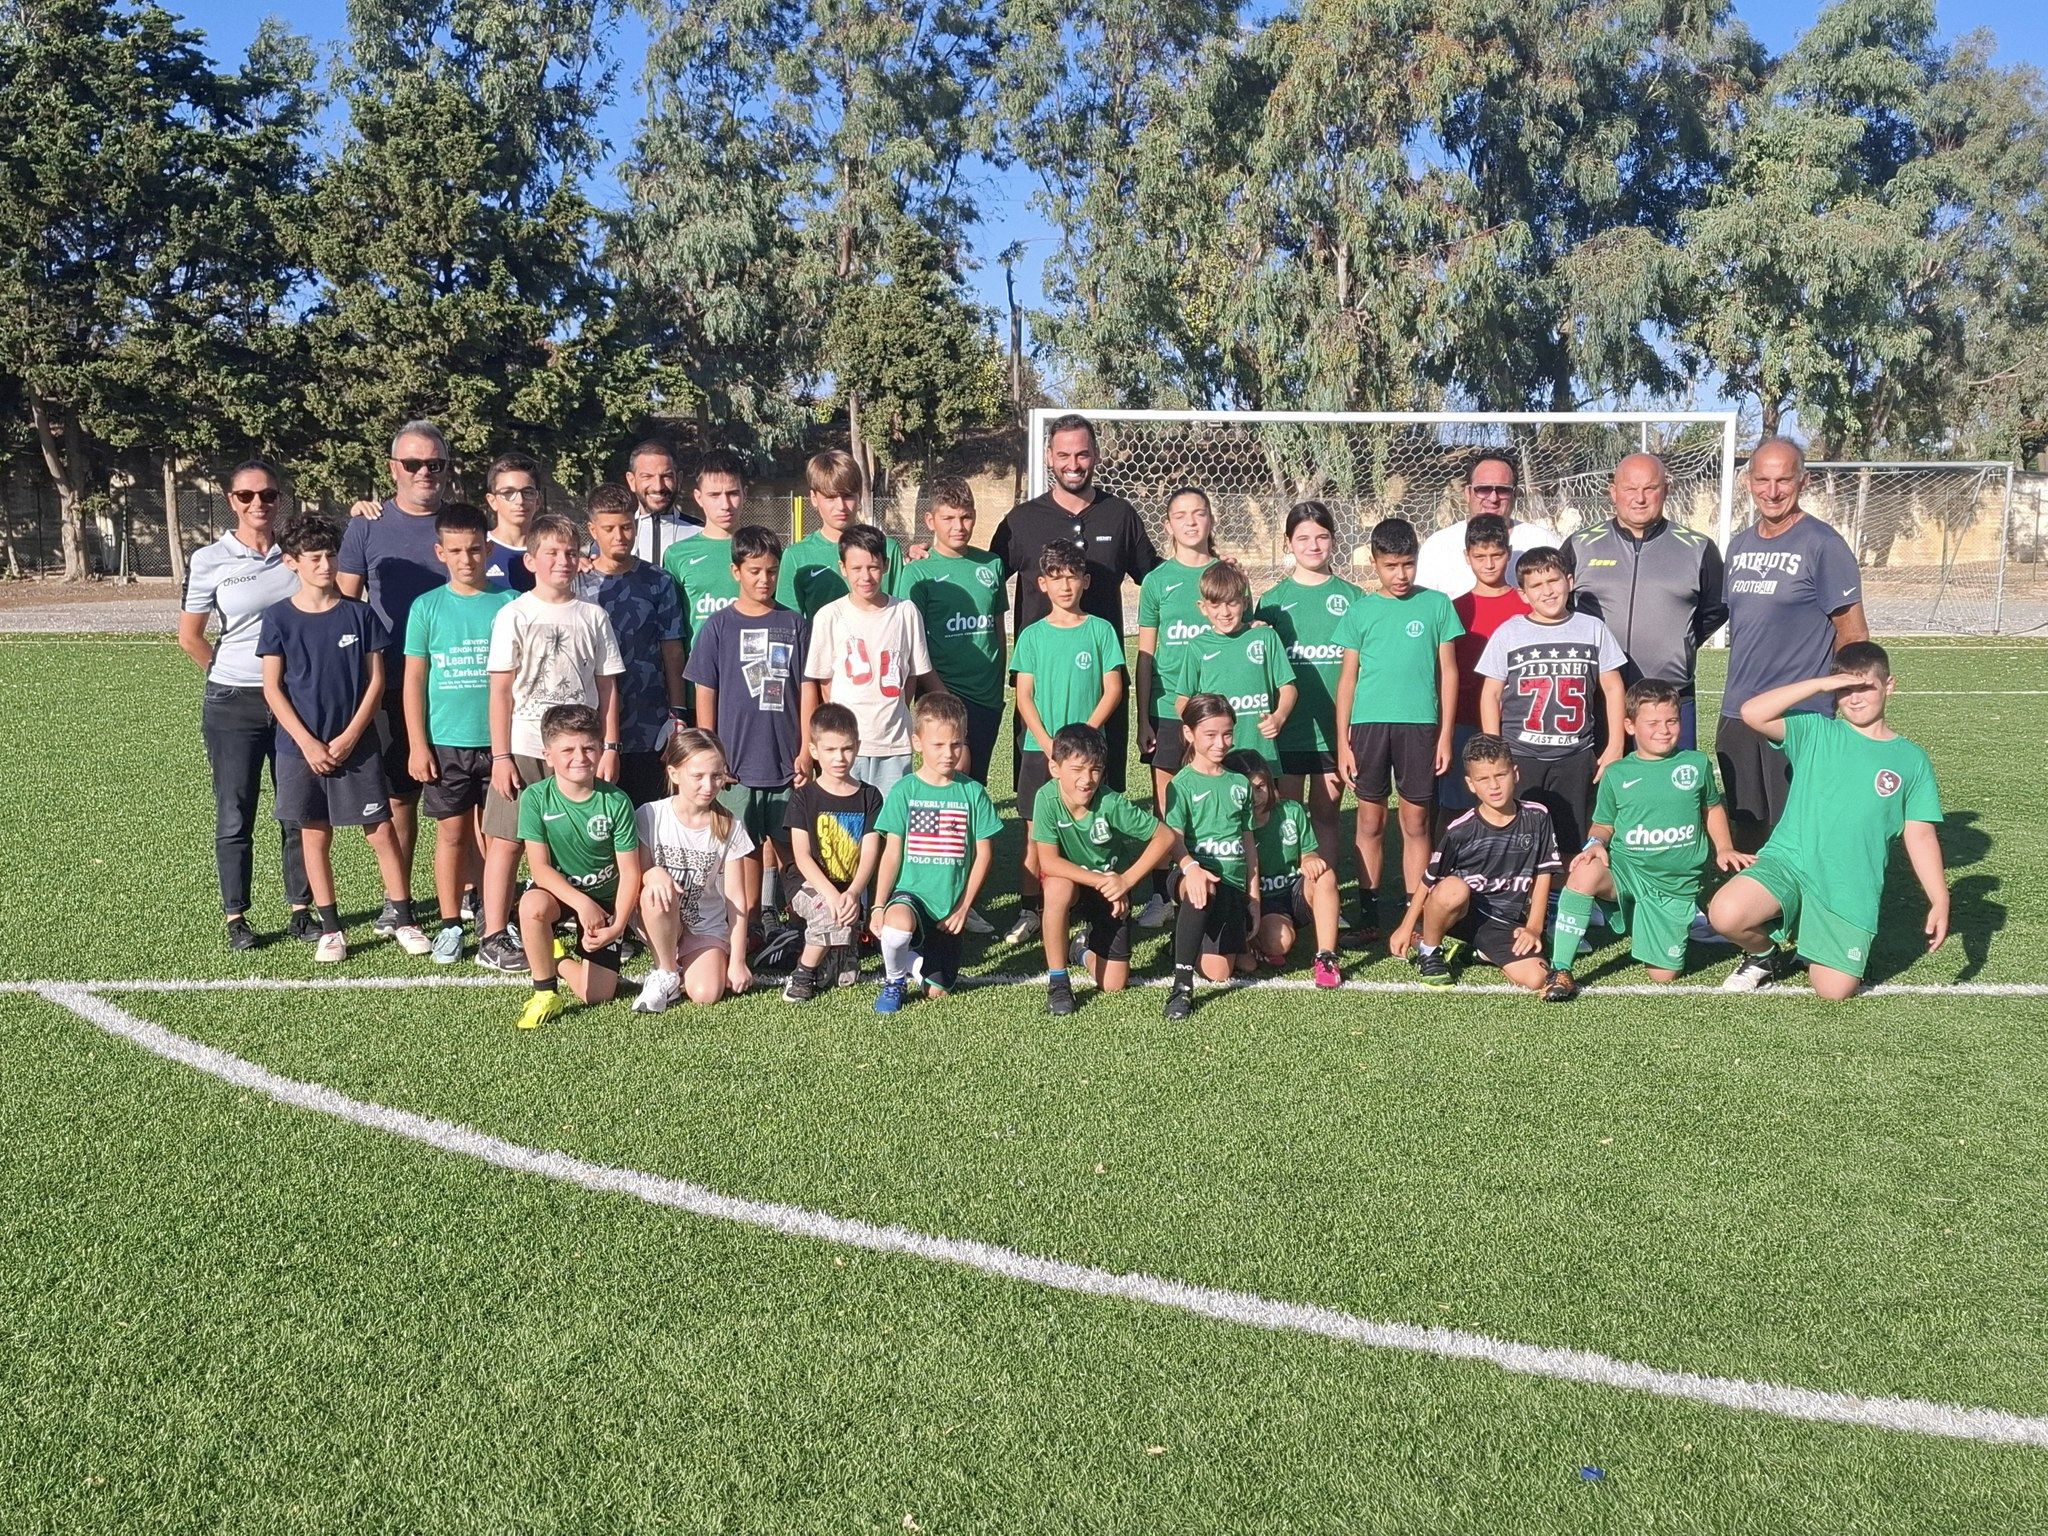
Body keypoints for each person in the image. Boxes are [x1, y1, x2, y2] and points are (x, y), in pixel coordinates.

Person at [1709, 642, 1946, 1000]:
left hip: (1848, 883)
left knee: (1834, 991)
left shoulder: (1911, 759)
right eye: (1844, 689)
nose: (1854, 698)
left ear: (1889, 685)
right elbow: (1752, 712)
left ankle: (1815, 937)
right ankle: (1764, 955)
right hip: (1790, 861)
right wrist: (1820, 684)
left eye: (1865, 687)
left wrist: (1939, 898)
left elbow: (1921, 836)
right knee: (1725, 914)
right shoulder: (1817, 731)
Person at [257, 513, 429, 963]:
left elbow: (376, 682)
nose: (325, 565)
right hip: (300, 751)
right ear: (291, 562)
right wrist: (307, 743)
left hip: (357, 747)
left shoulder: (360, 614)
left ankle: (404, 919)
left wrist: (352, 735)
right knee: (314, 834)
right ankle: (331, 929)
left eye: (330, 555)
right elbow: (272, 688)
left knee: (381, 830)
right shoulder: (278, 618)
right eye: (313, 557)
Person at [477, 513, 625, 972]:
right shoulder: (514, 614)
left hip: (580, 751)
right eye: (551, 553)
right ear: (531, 560)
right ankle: (493, 934)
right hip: (524, 745)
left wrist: (610, 746)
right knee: (507, 840)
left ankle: (597, 921)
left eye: (570, 553)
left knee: (586, 837)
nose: (562, 561)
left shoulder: (593, 616)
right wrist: (501, 756)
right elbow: (500, 690)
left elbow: (607, 687)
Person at [178, 457, 313, 950]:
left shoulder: (296, 552)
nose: (259, 503)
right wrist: (231, 677)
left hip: (294, 701)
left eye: (269, 495)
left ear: (280, 498)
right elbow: (190, 637)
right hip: (233, 703)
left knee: (297, 809)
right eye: (247, 495)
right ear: (231, 500)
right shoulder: (209, 559)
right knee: (235, 811)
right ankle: (236, 916)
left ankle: (302, 910)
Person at [1544, 679, 1751, 1000]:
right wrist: (1595, 843)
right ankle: (1561, 969)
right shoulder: (1618, 773)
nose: (1664, 730)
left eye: (1672, 721)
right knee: (1584, 871)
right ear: (1630, 726)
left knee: (1663, 976)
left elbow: (1712, 808)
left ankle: (1650, 922)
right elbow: (1603, 824)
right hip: (1627, 872)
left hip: (1673, 887)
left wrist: (1724, 847)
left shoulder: (1695, 764)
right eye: (1652, 723)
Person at [992, 413, 1160, 790]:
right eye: (1064, 455)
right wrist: (932, 554)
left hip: (1100, 683)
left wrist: (1209, 570)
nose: (1073, 464)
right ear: (1048, 457)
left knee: (1099, 789)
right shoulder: (1021, 521)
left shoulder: (1120, 515)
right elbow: (983, 575)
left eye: (1082, 454)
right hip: (1043, 685)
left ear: (1096, 455)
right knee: (1040, 796)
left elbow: (1156, 575)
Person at [1717, 437, 1870, 844]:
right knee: (1747, 826)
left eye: (1783, 480)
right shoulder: (1739, 545)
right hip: (1738, 710)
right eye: (1762, 480)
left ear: (1803, 481)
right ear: (1748, 482)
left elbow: (1853, 633)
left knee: (1796, 831)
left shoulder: (1823, 544)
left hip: (1798, 715)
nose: (1772, 491)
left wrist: (1846, 704)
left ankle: (1802, 890)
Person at [337, 420, 453, 919]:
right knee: (400, 795)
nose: (425, 472)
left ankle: (469, 896)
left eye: (435, 463)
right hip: (390, 681)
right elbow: (345, 607)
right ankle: (398, 899)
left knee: (463, 799)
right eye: (413, 463)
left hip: (458, 681)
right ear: (393, 469)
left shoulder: (463, 523)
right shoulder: (367, 524)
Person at [685, 524, 812, 963]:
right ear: (735, 571)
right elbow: (705, 690)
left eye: (771, 571)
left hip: (785, 761)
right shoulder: (719, 626)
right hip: (735, 767)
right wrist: (711, 754)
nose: (764, 579)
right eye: (755, 571)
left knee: (793, 847)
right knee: (743, 848)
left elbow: (807, 690)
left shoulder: (794, 624)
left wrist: (806, 750)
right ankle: (753, 926)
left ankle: (803, 926)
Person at [1333, 517, 1464, 940]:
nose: (1400, 574)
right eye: (1390, 566)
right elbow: (1347, 679)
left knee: (1415, 822)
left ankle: (1416, 914)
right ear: (1374, 563)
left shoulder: (1437, 605)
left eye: (1408, 564)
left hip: (1420, 727)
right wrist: (1342, 743)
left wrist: (1445, 735)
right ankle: (1369, 916)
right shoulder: (1361, 610)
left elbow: (1448, 673)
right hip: (1368, 728)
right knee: (1370, 822)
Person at [401, 502, 516, 964]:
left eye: (474, 549)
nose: (466, 559)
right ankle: (451, 923)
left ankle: (495, 921)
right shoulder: (426, 607)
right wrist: (418, 743)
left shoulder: (509, 602)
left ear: (488, 548)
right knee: (452, 835)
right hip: (447, 743)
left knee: (501, 839)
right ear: (440, 552)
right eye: (455, 551)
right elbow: (414, 679)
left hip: (501, 744)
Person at [1009, 539, 1131, 945]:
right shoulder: (1032, 635)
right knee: (1034, 833)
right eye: (1056, 577)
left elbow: (1113, 689)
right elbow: (1024, 697)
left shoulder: (1100, 630)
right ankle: (1031, 910)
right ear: (1042, 583)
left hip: (1087, 754)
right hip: (1040, 751)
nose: (1065, 586)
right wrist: (1049, 745)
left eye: (1073, 577)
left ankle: (1092, 911)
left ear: (1086, 581)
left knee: (1093, 829)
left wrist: (1084, 739)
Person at [1562, 453, 1726, 750]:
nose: (1639, 498)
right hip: (1595, 698)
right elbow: (1560, 609)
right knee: (1599, 781)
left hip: (1670, 699)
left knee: (1673, 781)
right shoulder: (1580, 545)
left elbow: (1716, 608)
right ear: (1613, 492)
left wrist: (1680, 642)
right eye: (1630, 489)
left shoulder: (1698, 548)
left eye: (1650, 488)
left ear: (1666, 490)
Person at [1475, 547, 1628, 857]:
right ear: (1523, 594)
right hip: (1522, 754)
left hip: (1574, 754)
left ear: (1569, 581)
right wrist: (1494, 748)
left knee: (1572, 838)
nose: (1547, 591)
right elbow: (1490, 694)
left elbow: (1613, 688)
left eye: (1553, 581)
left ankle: (1567, 889)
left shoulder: (1592, 628)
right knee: (1520, 839)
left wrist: (1615, 745)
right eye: (1536, 585)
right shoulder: (1509, 632)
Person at [1254, 501, 1364, 911]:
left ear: (1334, 540)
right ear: (1288, 543)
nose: (1313, 545)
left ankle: (1322, 898)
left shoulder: (1353, 597)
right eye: (1303, 538)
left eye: (1321, 536)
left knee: (1325, 814)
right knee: (1283, 814)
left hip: (1333, 730)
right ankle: (1282, 898)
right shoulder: (1272, 602)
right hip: (1286, 729)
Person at [1389, 733, 1559, 993]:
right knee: (1453, 889)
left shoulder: (1538, 817)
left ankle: (1479, 953)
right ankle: (1430, 951)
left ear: (1515, 773)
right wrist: (1406, 926)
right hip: (1463, 914)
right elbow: (1429, 879)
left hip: (1504, 922)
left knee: (1537, 978)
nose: (1494, 786)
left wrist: (1534, 928)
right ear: (1471, 784)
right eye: (1483, 779)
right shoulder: (1461, 830)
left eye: (1500, 775)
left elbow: (1544, 874)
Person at [1030, 723, 1176, 1016]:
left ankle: (1080, 950)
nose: (1087, 780)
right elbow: (1048, 862)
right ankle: (1058, 982)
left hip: (1111, 887)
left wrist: (1125, 881)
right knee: (1056, 887)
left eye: (1095, 770)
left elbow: (1165, 836)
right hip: (1078, 882)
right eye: (1077, 769)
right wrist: (1101, 881)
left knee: (1113, 984)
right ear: (1055, 768)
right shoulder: (1046, 798)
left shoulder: (1110, 802)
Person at [513, 704, 643, 1028]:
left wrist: (617, 926)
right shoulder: (535, 798)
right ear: (548, 756)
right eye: (568, 750)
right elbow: (540, 869)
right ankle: (545, 992)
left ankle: (557, 958)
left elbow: (630, 872)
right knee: (531, 905)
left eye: (588, 748)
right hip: (560, 893)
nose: (580, 757)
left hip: (604, 899)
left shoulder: (616, 801)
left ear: (600, 748)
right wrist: (581, 903)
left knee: (596, 995)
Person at [870, 693, 1003, 1012]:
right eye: (938, 745)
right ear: (917, 742)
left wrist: (963, 907)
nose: (948, 753)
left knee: (937, 991)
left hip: (949, 906)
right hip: (911, 896)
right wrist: (878, 905)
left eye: (956, 744)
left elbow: (984, 855)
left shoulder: (973, 793)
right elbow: (891, 853)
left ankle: (909, 958)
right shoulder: (905, 790)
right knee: (897, 925)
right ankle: (894, 980)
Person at [1135, 488, 1220, 930]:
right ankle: (1161, 893)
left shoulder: (1227, 575)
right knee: (1167, 806)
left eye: (1198, 513)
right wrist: (1142, 717)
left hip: (1217, 711)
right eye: (1181, 515)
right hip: (1168, 708)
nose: (1190, 522)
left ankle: (1219, 884)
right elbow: (1145, 654)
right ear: (1167, 525)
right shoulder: (1157, 581)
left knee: (1217, 799)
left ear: (1210, 520)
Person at [802, 524, 939, 798]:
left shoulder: (906, 612)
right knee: (848, 820)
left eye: (873, 567)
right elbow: (824, 684)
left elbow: (911, 674)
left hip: (894, 744)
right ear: (842, 568)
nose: (865, 576)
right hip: (846, 746)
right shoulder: (829, 616)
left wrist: (896, 712)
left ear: (886, 565)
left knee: (891, 819)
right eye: (856, 568)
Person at [631, 727, 753, 1013]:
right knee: (656, 889)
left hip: (704, 924)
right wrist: (653, 874)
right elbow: (636, 875)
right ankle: (666, 971)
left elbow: (736, 899)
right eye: (697, 776)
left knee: (706, 993)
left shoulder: (730, 826)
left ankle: (685, 965)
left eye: (716, 775)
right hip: (658, 915)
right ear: (674, 774)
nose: (708, 786)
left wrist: (737, 961)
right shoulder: (650, 815)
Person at [580, 484, 686, 806]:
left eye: (626, 527)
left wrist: (678, 715)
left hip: (649, 724)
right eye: (609, 529)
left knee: (648, 817)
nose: (619, 536)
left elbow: (672, 651)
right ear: (592, 530)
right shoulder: (578, 582)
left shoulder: (659, 581)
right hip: (591, 726)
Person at [900, 476, 1005, 785]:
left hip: (987, 696)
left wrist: (997, 683)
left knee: (976, 781)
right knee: (954, 771)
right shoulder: (917, 572)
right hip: (943, 691)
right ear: (930, 520)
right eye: (948, 518)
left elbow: (997, 629)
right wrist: (941, 694)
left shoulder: (992, 564)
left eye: (966, 516)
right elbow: (913, 643)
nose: (958, 526)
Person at [1159, 695, 1258, 1021]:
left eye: (1227, 734)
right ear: (1189, 734)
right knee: (1203, 889)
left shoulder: (1239, 783)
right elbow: (1173, 840)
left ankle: (1183, 940)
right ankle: (1182, 986)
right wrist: (1192, 869)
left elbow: (1248, 843)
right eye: (1210, 735)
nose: (1220, 743)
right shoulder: (1181, 784)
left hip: (1231, 884)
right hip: (1190, 875)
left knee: (1227, 970)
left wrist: (1254, 899)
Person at [780, 702, 885, 1002]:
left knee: (842, 978)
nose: (840, 757)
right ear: (814, 751)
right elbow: (802, 856)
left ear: (858, 747)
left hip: (849, 888)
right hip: (807, 883)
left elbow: (870, 852)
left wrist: (853, 893)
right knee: (829, 913)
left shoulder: (870, 796)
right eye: (830, 750)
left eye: (847, 748)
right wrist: (831, 895)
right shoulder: (803, 797)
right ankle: (802, 973)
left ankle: (837, 944)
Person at [1164, 561, 1297, 775]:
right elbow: (1182, 700)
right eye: (1215, 605)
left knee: (1262, 797)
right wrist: (1200, 729)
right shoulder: (1198, 647)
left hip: (1262, 753)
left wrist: (1279, 717)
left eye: (1232, 603)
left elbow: (1288, 688)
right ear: (1203, 607)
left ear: (1245, 603)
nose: (1224, 612)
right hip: (1217, 754)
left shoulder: (1265, 637)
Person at [1439, 512, 1527, 823]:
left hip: (1515, 722)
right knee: (1457, 806)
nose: (1489, 564)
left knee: (1514, 802)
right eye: (1480, 556)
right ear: (1467, 556)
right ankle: (1446, 855)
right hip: (1464, 720)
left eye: (1496, 555)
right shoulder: (1454, 608)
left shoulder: (1527, 606)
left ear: (1509, 553)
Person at [1228, 749, 1341, 988]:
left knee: (1325, 875)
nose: (1255, 797)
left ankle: (1326, 957)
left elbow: (1308, 852)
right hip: (1261, 902)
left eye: (1260, 787)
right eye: (1247, 790)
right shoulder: (1230, 823)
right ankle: (1255, 939)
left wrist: (1309, 859)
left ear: (1270, 784)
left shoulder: (1291, 811)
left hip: (1293, 892)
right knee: (1279, 943)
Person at [1415, 454, 1563, 599]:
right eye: (1483, 489)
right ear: (1467, 493)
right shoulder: (1437, 547)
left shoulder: (1543, 542)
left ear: (1515, 494)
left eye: (1503, 490)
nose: (1493, 498)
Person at [780, 449, 906, 615]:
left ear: (859, 496)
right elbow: (788, 623)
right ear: (814, 498)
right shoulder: (796, 556)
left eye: (847, 496)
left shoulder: (888, 549)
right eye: (830, 497)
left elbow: (900, 613)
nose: (841, 506)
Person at [661, 447, 746, 648]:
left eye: (733, 493)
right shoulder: (677, 555)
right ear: (698, 497)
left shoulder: (762, 551)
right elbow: (671, 630)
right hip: (699, 667)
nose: (725, 504)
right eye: (714, 495)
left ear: (745, 494)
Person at [625, 439, 700, 564]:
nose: (658, 487)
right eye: (647, 476)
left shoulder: (700, 532)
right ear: (631, 481)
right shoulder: (616, 535)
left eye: (666, 476)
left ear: (679, 479)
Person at [480, 452, 541, 592]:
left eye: (528, 492)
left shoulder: (553, 551)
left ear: (538, 500)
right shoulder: (476, 549)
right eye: (508, 492)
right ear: (492, 501)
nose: (520, 500)